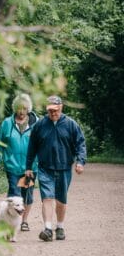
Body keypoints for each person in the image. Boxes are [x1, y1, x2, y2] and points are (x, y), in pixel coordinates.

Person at [25, 95, 87, 241]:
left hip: (64, 167)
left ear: (61, 108)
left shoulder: (70, 124)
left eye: (55, 110)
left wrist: (80, 162)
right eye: (50, 111)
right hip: (45, 168)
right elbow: (32, 147)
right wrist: (28, 166)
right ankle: (47, 229)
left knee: (61, 200)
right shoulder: (40, 125)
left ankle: (59, 226)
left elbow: (80, 144)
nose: (53, 113)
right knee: (47, 198)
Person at [0, 93, 38, 231]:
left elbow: (41, 144)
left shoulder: (35, 123)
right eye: (18, 108)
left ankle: (24, 221)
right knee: (14, 194)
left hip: (29, 168)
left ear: (28, 108)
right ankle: (9, 221)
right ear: (14, 108)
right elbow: (0, 144)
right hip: (12, 167)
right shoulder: (7, 123)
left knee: (27, 195)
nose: (21, 111)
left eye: (24, 108)